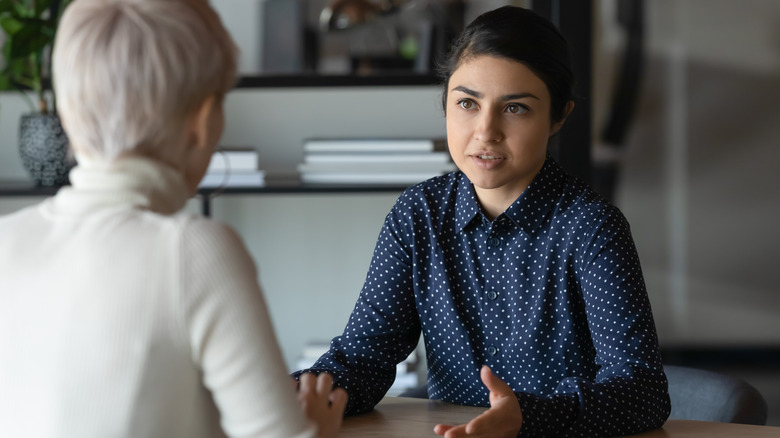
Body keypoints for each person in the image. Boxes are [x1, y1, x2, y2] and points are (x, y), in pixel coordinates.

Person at [294, 6, 671, 438]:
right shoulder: (418, 215)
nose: (486, 131)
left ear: (559, 116)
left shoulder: (591, 227)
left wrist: (527, 417)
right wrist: (287, 396)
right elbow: (361, 361)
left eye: (515, 108)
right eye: (467, 103)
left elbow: (642, 393)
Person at [0, 1, 346, 437]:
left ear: (66, 114)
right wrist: (317, 427)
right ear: (203, 121)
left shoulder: (6, 239)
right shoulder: (194, 250)